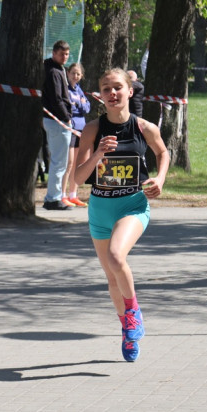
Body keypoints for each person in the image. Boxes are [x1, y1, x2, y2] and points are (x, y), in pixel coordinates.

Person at [73, 68, 170, 363]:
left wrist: (160, 180)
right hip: (100, 209)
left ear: (130, 91)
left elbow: (163, 153)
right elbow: (77, 178)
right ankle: (127, 331)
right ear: (100, 96)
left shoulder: (144, 128)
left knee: (117, 257)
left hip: (132, 206)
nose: (112, 93)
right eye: (106, 89)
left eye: (117, 87)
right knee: (112, 278)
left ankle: (133, 312)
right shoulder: (92, 129)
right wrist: (99, 153)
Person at [42, 40, 73, 210]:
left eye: (67, 54)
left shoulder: (58, 69)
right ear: (54, 53)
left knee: (59, 160)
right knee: (59, 161)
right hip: (56, 121)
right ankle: (53, 198)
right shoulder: (54, 71)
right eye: (61, 54)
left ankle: (54, 196)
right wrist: (66, 117)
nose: (64, 57)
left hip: (55, 119)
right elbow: (57, 98)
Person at [63, 62, 90, 207]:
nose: (75, 76)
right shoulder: (65, 89)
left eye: (78, 74)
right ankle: (62, 194)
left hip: (81, 129)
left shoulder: (79, 90)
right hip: (70, 129)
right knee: (69, 163)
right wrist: (77, 104)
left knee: (77, 164)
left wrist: (79, 103)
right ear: (68, 73)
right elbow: (69, 106)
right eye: (73, 73)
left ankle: (73, 194)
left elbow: (86, 107)